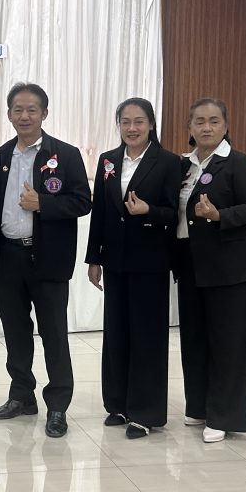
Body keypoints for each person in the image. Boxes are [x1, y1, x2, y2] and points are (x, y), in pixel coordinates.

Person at [0, 83, 91, 438]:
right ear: (9, 114)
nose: (24, 116)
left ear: (44, 113)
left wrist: (44, 203)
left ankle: (58, 405)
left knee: (54, 333)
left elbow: (82, 201)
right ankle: (21, 395)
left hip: (48, 258)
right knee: (15, 332)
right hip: (7, 256)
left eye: (31, 110)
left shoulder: (65, 155)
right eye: (18, 110)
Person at [85, 97, 180, 439]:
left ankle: (146, 412)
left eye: (139, 121)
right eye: (125, 121)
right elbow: (100, 210)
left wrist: (148, 211)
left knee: (147, 336)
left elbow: (174, 212)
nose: (132, 128)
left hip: (150, 261)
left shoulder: (168, 162)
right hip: (115, 259)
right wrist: (94, 257)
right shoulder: (109, 161)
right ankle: (119, 404)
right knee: (116, 333)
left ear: (151, 124)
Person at [174, 97, 246, 443]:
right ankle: (199, 406)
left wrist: (219, 215)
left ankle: (225, 415)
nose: (206, 127)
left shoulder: (238, 163)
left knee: (229, 344)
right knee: (195, 338)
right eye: (199, 121)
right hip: (191, 264)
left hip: (230, 267)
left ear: (225, 126)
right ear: (190, 127)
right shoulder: (183, 165)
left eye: (213, 121)